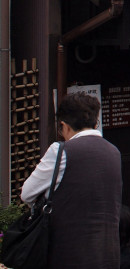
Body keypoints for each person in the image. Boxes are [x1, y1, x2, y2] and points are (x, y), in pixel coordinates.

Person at [21, 92, 122, 269]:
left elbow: (27, 193)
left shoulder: (60, 152)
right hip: (108, 255)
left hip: (68, 254)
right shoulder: (114, 152)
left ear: (64, 126)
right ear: (95, 122)